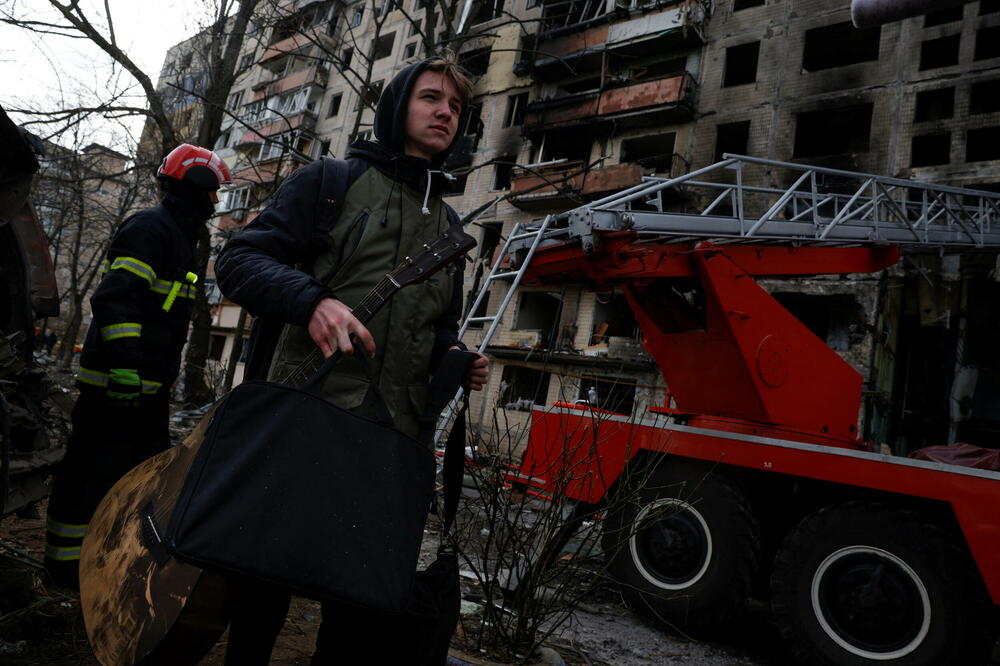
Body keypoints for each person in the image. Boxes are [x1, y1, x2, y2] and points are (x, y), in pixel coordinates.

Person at [215, 55, 488, 664]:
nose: (446, 111)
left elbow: (439, 328)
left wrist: (457, 360)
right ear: (397, 107)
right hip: (303, 419)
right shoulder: (330, 182)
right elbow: (238, 262)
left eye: (456, 107)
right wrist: (312, 303)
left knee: (358, 610)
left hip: (389, 440)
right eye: (430, 98)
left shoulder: (448, 227)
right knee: (264, 587)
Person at [44, 144, 231, 590]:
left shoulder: (181, 237)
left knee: (138, 481)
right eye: (213, 193)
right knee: (90, 478)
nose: (216, 202)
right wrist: (126, 366)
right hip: (116, 386)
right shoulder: (151, 229)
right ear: (196, 186)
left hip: (148, 389)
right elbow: (115, 298)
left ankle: (107, 567)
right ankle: (64, 578)